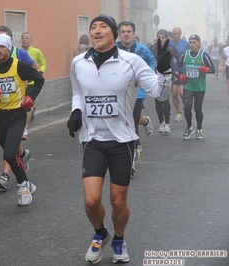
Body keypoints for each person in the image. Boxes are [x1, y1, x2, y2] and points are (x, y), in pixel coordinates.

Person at [67, 14, 172, 264]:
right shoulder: (78, 63)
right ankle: (100, 233)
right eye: (93, 27)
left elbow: (159, 92)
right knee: (91, 200)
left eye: (103, 26)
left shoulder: (131, 61)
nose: (97, 31)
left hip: (122, 140)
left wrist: (166, 73)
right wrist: (76, 111)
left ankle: (118, 238)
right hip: (92, 139)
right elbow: (77, 92)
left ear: (113, 33)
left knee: (118, 201)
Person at [0, 34, 44, 206]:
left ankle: (23, 187)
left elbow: (39, 79)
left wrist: (31, 97)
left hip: (17, 115)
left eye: (2, 47)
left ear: (9, 48)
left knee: (8, 153)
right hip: (0, 116)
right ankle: (27, 183)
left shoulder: (19, 66)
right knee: (12, 153)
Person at [116, 20, 155, 175]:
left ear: (133, 34)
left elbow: (151, 62)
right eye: (123, 32)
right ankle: (132, 146)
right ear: (119, 34)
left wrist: (147, 75)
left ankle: (130, 158)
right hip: (117, 93)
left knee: (132, 124)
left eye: (129, 31)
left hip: (137, 93)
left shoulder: (142, 50)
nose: (126, 34)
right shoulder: (113, 49)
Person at [178, 34, 215, 140]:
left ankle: (199, 129)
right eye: (190, 42)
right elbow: (179, 66)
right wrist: (181, 74)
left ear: (199, 44)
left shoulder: (203, 55)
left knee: (197, 109)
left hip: (200, 87)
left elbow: (213, 69)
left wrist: (207, 70)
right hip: (188, 86)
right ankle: (189, 127)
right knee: (187, 107)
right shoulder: (184, 55)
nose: (192, 44)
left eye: (194, 42)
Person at [149, 29, 180, 134]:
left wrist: (176, 73)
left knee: (165, 100)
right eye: (159, 38)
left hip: (167, 76)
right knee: (157, 100)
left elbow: (178, 61)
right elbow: (148, 62)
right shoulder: (152, 48)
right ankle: (161, 122)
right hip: (155, 77)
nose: (160, 40)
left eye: (163, 38)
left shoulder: (171, 48)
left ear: (167, 38)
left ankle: (167, 123)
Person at [21, 32, 47, 140]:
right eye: (23, 38)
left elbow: (43, 63)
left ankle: (25, 129)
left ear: (31, 40)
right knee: (22, 105)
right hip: (21, 83)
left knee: (26, 105)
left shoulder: (36, 52)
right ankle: (31, 108)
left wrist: (40, 72)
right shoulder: (18, 52)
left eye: (27, 38)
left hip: (31, 82)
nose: (24, 40)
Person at [171, 27, 190, 121]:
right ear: (172, 34)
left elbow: (189, 56)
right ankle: (178, 112)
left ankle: (183, 100)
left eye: (177, 34)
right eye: (174, 33)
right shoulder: (169, 44)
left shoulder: (186, 44)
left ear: (180, 34)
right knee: (174, 93)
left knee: (181, 92)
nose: (176, 35)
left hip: (183, 71)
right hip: (173, 71)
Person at [220, 35, 229, 107]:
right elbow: (223, 58)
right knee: (228, 82)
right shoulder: (225, 49)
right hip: (228, 66)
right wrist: (222, 66)